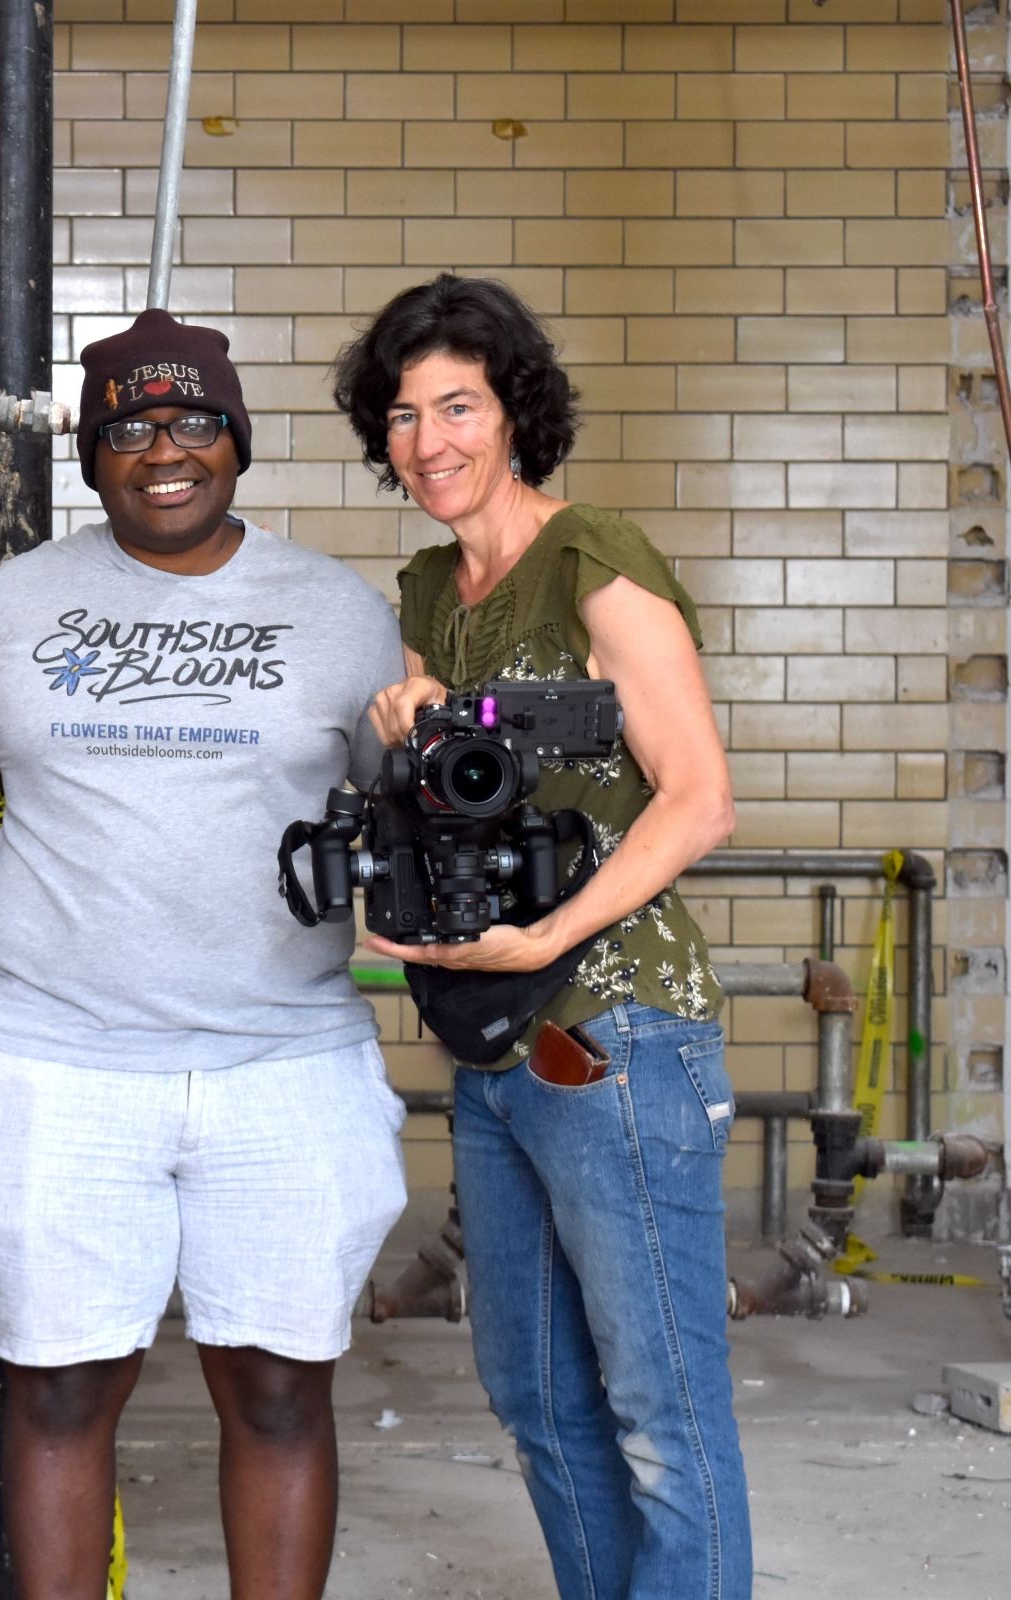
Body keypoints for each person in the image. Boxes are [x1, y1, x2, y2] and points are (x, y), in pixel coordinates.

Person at [0, 308, 410, 1600]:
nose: (166, 449)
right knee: (62, 1385)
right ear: (92, 455)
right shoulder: (15, 606)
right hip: (59, 1065)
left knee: (281, 1386)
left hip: (284, 1063)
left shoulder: (341, 615)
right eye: (131, 427)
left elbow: (407, 813)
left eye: (195, 421)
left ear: (237, 440)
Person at [331, 273, 745, 1599]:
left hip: (614, 1025)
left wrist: (552, 929)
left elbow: (700, 796)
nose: (429, 440)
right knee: (537, 1396)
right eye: (401, 416)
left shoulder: (594, 557)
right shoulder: (426, 588)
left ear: (516, 413)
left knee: (660, 1411)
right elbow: (461, 807)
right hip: (495, 1035)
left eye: (458, 405)